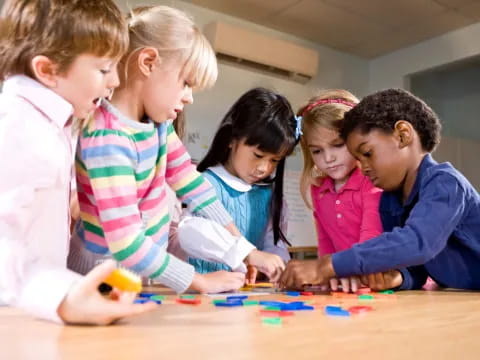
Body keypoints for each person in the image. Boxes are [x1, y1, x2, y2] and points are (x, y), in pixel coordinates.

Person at [68, 6, 285, 295]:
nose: (189, 97)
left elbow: (193, 185)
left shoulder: (158, 126)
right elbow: (127, 243)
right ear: (148, 62)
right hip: (99, 278)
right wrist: (198, 281)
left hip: (133, 275)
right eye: (186, 83)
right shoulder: (107, 138)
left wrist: (245, 250)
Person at [0, 0, 156, 325]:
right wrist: (61, 299)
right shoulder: (16, 125)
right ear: (47, 70)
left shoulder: (55, 126)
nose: (114, 81)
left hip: (33, 314)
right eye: (103, 69)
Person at [279, 88, 480, 291]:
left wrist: (327, 265)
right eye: (358, 158)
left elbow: (418, 242)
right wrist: (398, 277)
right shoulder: (392, 200)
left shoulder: (445, 183)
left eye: (367, 153)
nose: (363, 167)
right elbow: (418, 268)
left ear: (402, 136)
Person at [180, 88, 298, 274]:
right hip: (202, 294)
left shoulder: (269, 195)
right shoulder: (205, 185)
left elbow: (274, 245)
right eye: (258, 155)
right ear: (232, 140)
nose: (264, 168)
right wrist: (247, 253)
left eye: (274, 160)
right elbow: (188, 232)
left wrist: (272, 267)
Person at [297, 89, 382, 291]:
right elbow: (326, 244)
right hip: (348, 284)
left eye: (337, 145)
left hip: (380, 281)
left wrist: (346, 269)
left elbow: (371, 239)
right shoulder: (319, 190)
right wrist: (324, 274)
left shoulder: (372, 183)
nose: (328, 158)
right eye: (317, 151)